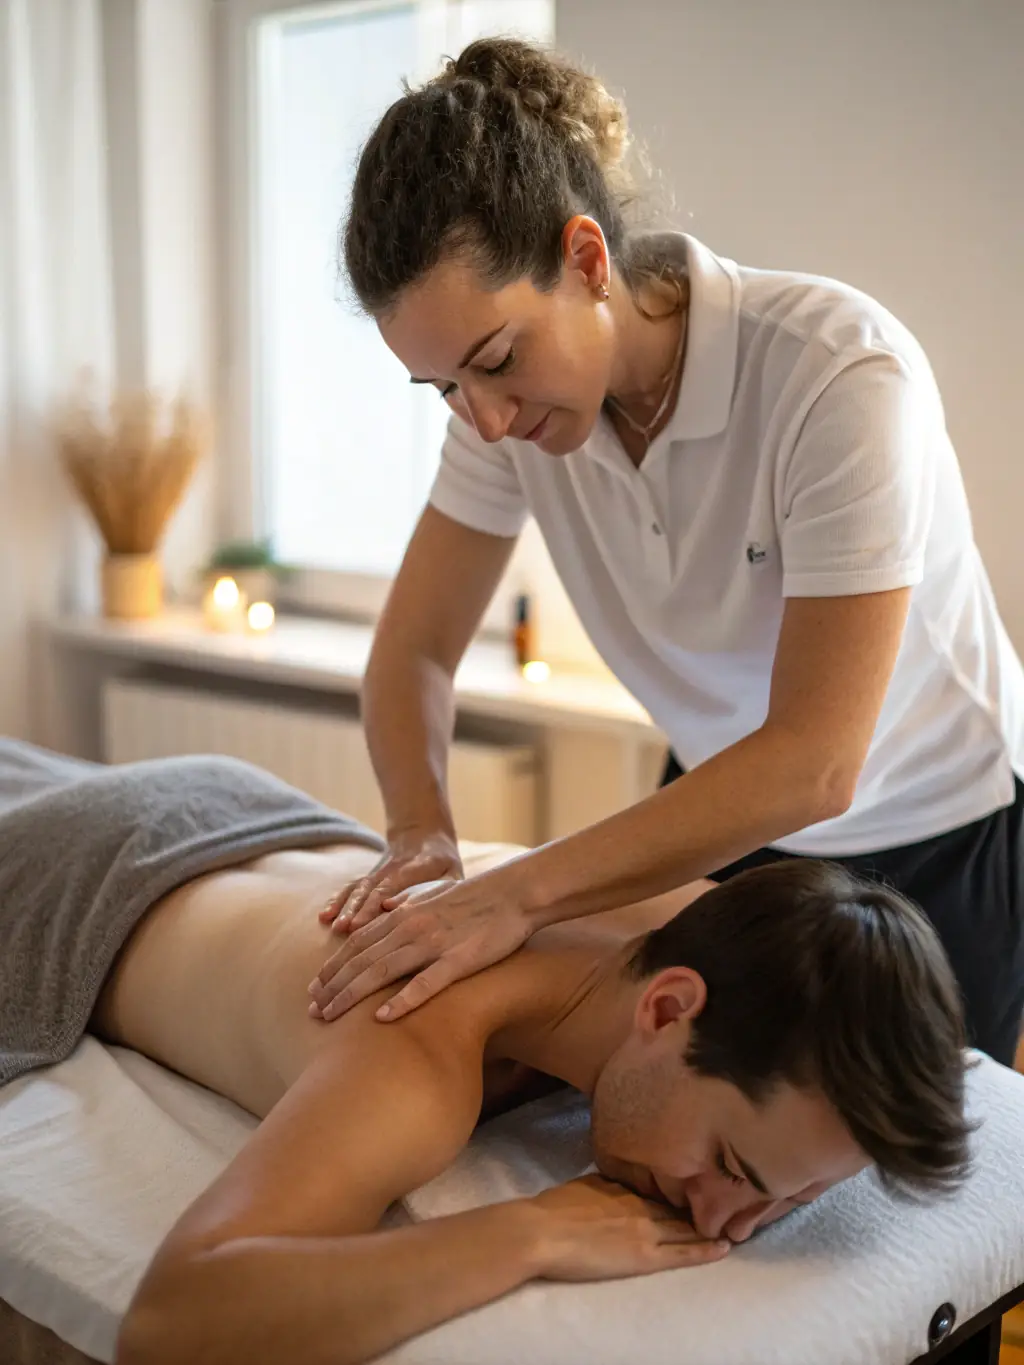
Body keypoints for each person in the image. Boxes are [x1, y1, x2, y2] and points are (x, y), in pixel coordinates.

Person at [311, 36, 1024, 1066]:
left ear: (587, 259)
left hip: (935, 829)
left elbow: (818, 763)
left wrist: (514, 890)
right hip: (722, 815)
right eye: (446, 390)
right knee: (626, 1103)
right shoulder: (511, 426)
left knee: (891, 1180)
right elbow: (414, 650)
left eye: (497, 361)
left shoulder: (834, 374)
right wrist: (420, 837)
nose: (486, 420)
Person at [0, 742, 969, 1365]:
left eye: (791, 1199)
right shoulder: (416, 1053)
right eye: (728, 1167)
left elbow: (873, 992)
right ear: (668, 1009)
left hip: (233, 803)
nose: (732, 1224)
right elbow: (177, 1323)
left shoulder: (723, 929)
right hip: (58, 890)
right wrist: (528, 1234)